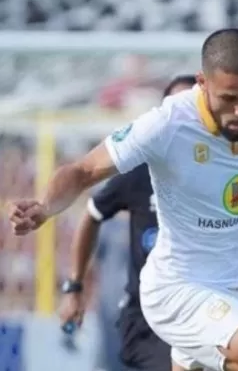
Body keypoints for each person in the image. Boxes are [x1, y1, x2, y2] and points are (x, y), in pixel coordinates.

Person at [8, 28, 238, 371]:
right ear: (203, 83)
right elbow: (85, 170)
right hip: (180, 290)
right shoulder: (167, 123)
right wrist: (44, 207)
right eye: (230, 99)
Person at [59, 75, 196, 371]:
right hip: (146, 319)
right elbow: (92, 215)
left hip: (204, 311)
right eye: (177, 109)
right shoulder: (140, 172)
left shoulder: (225, 171)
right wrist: (74, 287)